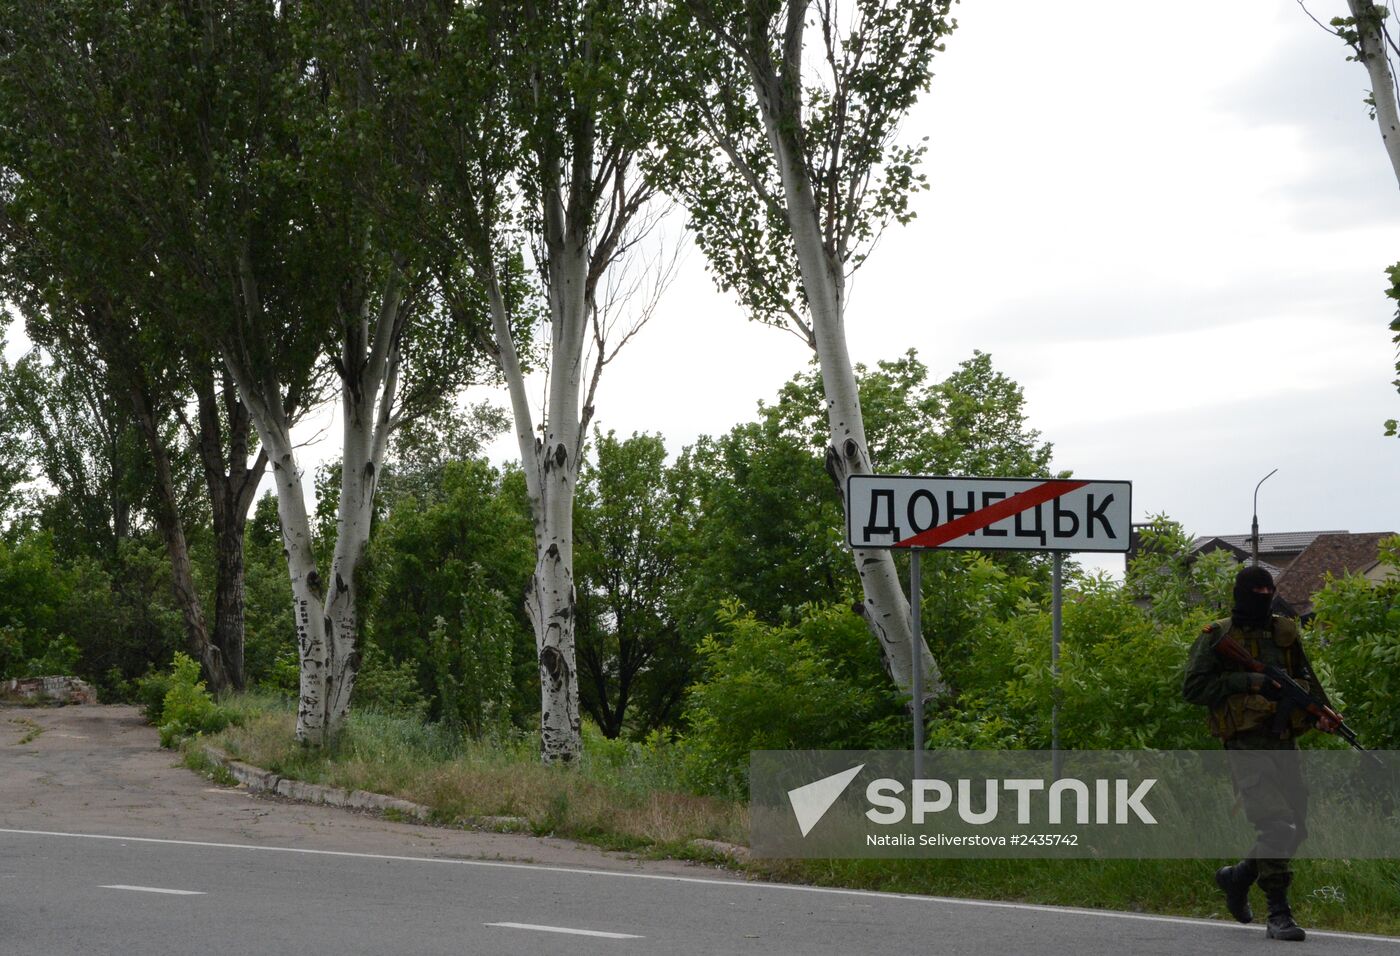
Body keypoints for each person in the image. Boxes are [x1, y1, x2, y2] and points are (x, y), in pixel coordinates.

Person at [1182, 565, 1340, 943]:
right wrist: (1249, 680)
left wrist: (1322, 712)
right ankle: (1279, 913)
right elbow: (1193, 688)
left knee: (1295, 829)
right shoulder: (1218, 635)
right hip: (1245, 745)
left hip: (1283, 742)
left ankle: (1237, 878)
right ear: (1241, 593)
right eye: (1256, 591)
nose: (1264, 596)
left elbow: (1306, 679)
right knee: (1275, 825)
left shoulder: (1283, 631)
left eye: (1269, 590)